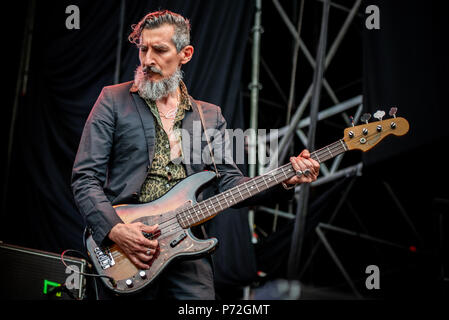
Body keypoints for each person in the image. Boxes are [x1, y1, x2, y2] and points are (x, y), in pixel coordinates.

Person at [71, 10, 320, 300]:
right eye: (143, 49)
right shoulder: (113, 100)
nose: (147, 59)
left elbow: (229, 182)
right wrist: (115, 230)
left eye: (159, 50)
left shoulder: (209, 116)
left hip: (185, 250)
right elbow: (85, 179)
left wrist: (285, 179)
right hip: (125, 248)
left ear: (185, 54)